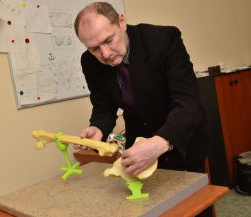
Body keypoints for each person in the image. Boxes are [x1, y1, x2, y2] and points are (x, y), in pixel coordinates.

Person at [73, 2, 211, 216]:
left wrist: (160, 142)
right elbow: (103, 107)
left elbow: (188, 101)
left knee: (193, 203)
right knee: (149, 202)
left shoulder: (163, 39)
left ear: (121, 22)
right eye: (94, 49)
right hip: (139, 136)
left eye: (109, 40)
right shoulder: (89, 62)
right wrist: (98, 128)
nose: (106, 54)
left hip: (181, 132)